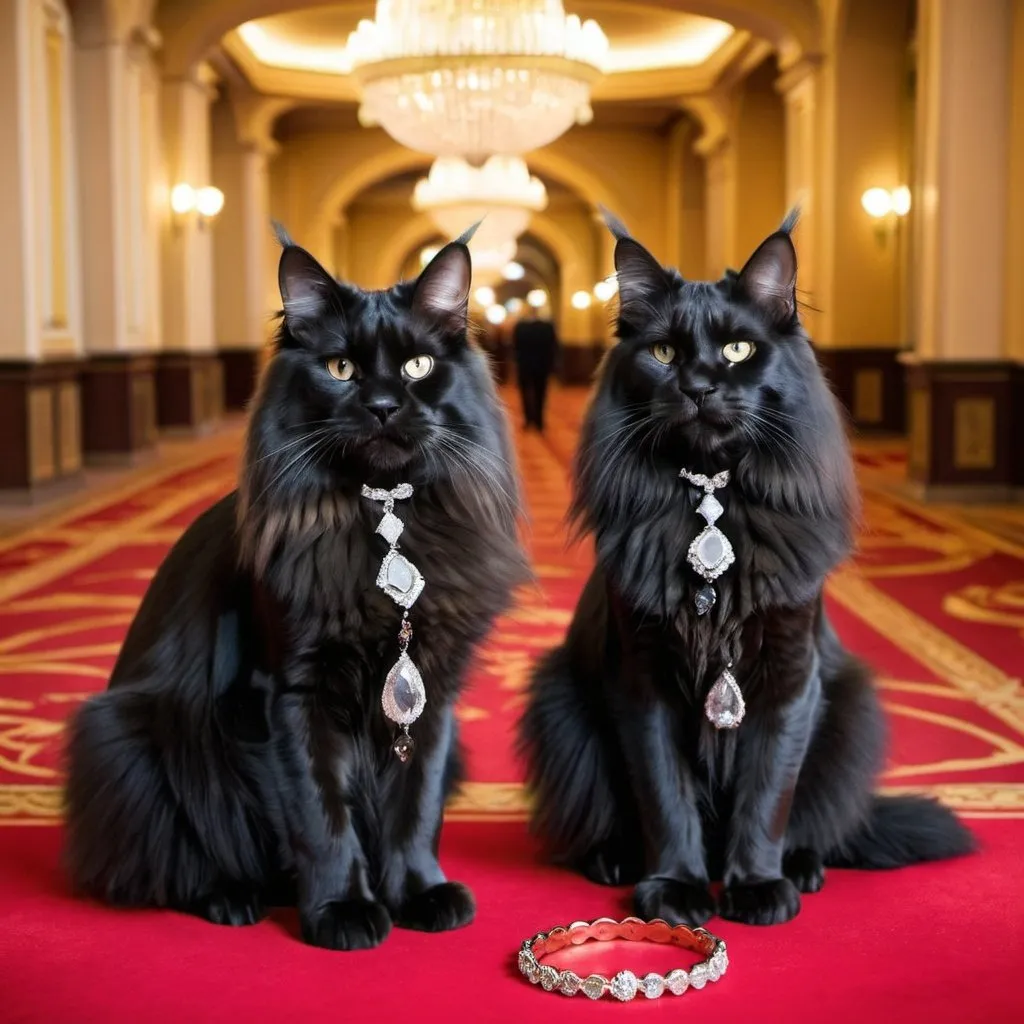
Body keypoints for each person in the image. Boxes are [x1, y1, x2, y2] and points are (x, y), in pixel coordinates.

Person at [512, 308, 559, 431]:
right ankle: (539, 421)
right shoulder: (548, 327)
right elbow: (553, 347)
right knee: (541, 394)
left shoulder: (520, 327)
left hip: (524, 365)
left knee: (525, 394)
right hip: (542, 365)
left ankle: (528, 420)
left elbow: (515, 347)